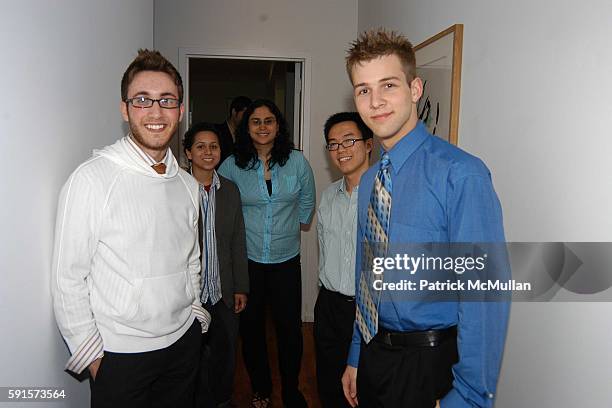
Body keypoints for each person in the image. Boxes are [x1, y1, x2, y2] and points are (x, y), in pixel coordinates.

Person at [341, 30, 510, 408]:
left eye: (388, 85)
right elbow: (367, 273)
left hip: (430, 366)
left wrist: (467, 398)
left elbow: (485, 294)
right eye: (363, 89)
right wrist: (356, 355)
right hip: (374, 355)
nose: (376, 101)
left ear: (415, 88)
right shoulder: (370, 179)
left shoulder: (461, 175)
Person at [51, 49, 211, 408]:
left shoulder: (187, 185)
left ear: (180, 110)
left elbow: (192, 259)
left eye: (167, 100)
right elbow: (68, 278)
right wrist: (93, 359)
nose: (156, 112)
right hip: (121, 357)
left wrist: (195, 311)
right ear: (125, 109)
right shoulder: (91, 179)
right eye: (142, 100)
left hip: (183, 346)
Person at [219, 99, 315, 408]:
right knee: (252, 329)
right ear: (246, 128)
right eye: (255, 121)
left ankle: (290, 389)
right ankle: (260, 387)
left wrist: (295, 224)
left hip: (286, 260)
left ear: (278, 126)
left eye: (268, 120)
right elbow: (220, 203)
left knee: (290, 330)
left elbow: (307, 199)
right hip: (248, 263)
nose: (262, 127)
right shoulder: (233, 164)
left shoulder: (297, 162)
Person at [183, 122, 249, 408]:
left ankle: (222, 400)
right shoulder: (176, 190)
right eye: (200, 146)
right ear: (188, 153)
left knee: (225, 353)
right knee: (191, 356)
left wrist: (241, 287)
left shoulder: (231, 191)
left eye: (214, 146)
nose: (208, 152)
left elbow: (238, 241)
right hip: (189, 295)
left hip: (223, 292)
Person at [314, 112, 373, 408]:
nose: (341, 149)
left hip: (366, 308)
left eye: (349, 140)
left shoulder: (384, 197)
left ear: (369, 144)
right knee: (328, 384)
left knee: (363, 389)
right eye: (333, 144)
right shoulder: (327, 197)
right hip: (328, 305)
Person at [216, 95, 252, 165]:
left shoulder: (248, 134)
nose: (247, 119)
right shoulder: (217, 132)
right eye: (244, 115)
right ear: (234, 112)